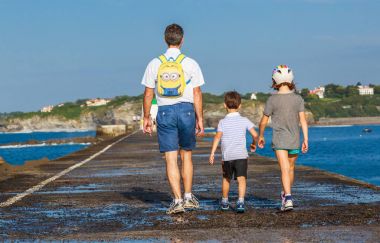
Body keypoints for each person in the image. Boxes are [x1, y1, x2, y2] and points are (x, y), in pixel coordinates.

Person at [141, 23, 205, 214]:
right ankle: (188, 197)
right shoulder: (190, 63)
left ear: (165, 39)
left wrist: (146, 117)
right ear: (182, 40)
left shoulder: (154, 63)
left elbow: (147, 94)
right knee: (186, 155)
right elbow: (197, 93)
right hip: (186, 110)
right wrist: (200, 118)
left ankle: (177, 201)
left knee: (170, 158)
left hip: (164, 111)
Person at [258, 65, 308, 211]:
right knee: (290, 168)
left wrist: (260, 136)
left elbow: (263, 121)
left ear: (274, 81)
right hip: (294, 139)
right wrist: (306, 139)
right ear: (291, 79)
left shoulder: (272, 100)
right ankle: (287, 196)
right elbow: (303, 121)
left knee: (285, 169)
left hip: (279, 139)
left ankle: (287, 197)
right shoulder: (298, 99)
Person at [209, 91, 258, 213]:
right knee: (242, 179)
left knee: (226, 179)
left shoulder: (222, 122)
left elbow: (217, 137)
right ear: (240, 105)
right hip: (241, 155)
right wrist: (253, 143)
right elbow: (255, 135)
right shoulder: (244, 120)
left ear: (225, 105)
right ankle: (240, 202)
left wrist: (212, 153)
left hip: (227, 157)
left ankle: (225, 202)